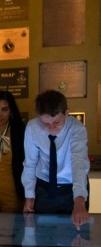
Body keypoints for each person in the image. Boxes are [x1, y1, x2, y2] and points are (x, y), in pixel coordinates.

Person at [22, 89, 90, 230]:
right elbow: (30, 164)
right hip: (44, 187)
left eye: (57, 122)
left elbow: (79, 164)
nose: (51, 128)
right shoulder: (32, 127)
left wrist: (79, 200)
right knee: (43, 234)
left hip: (72, 188)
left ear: (67, 113)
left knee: (76, 234)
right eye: (46, 123)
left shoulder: (77, 128)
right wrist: (29, 195)